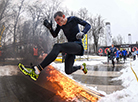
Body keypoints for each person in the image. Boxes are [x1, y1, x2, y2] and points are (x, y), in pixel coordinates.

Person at [20, 11, 91, 80]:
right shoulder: (60, 25)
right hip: (71, 48)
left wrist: (83, 32)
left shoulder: (73, 19)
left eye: (58, 20)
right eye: (56, 21)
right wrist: (50, 28)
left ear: (63, 16)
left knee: (57, 46)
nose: (58, 22)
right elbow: (55, 35)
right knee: (68, 70)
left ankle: (37, 70)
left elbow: (88, 25)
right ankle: (81, 67)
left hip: (78, 46)